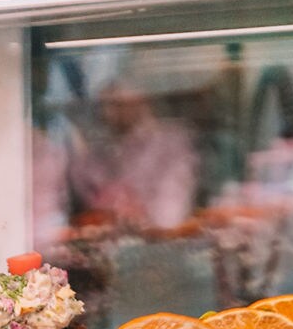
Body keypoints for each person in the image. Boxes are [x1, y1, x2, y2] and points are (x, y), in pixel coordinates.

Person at [69, 79, 197, 230]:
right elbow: (86, 190)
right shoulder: (99, 146)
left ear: (143, 99)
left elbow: (170, 213)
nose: (107, 113)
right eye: (104, 104)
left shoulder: (172, 141)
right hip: (109, 237)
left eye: (117, 104)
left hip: (157, 238)